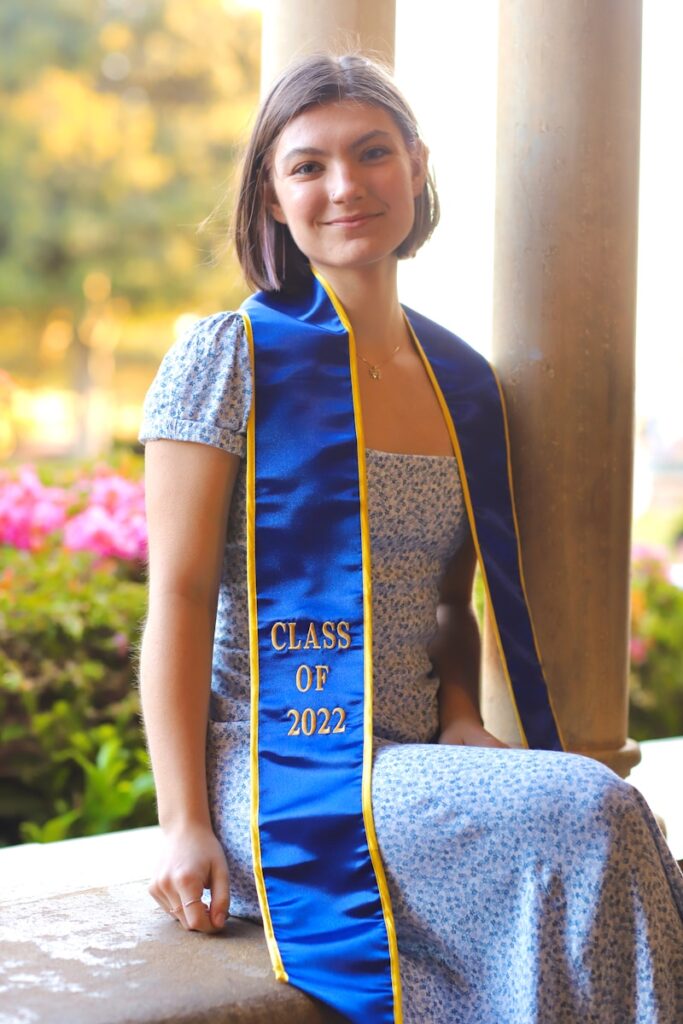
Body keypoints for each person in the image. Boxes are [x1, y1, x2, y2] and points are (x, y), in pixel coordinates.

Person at [137, 52, 683, 1024]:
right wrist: (182, 824)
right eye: (306, 165)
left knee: (599, 810)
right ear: (269, 191)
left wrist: (465, 713)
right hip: (280, 763)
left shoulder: (457, 380)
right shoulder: (228, 357)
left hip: (413, 757)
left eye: (371, 153)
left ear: (416, 167)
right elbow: (176, 598)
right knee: (587, 808)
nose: (342, 186)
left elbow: (446, 598)